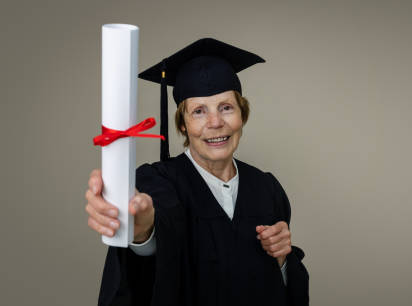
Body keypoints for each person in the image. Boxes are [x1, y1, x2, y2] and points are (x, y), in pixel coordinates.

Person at [84, 38, 309, 306]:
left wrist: (282, 259)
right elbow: (148, 250)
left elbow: (286, 291)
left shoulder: (266, 188)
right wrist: (141, 228)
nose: (215, 123)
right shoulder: (156, 183)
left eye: (226, 108)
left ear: (242, 115)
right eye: (199, 111)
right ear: (183, 125)